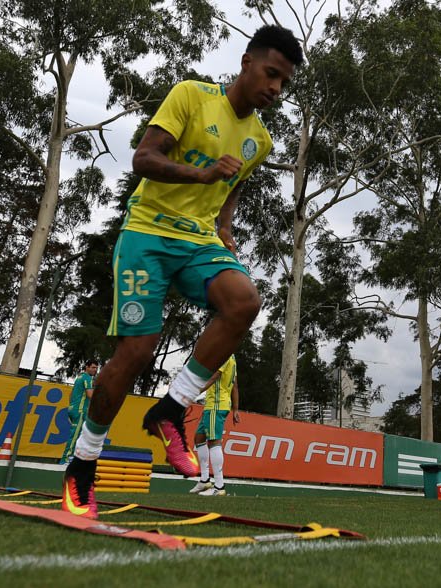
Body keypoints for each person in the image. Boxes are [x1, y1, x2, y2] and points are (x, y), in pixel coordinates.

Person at [61, 25, 304, 519]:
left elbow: (232, 183)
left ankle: (171, 408)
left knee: (245, 302)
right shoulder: (191, 95)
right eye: (271, 74)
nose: (276, 88)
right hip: (147, 233)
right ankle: (83, 463)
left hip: (198, 239)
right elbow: (143, 158)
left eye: (284, 82)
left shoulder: (260, 139)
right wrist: (202, 173)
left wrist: (226, 226)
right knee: (134, 353)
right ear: (246, 62)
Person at [189, 356, 239, 496]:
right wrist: (235, 409)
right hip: (212, 406)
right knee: (199, 438)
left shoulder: (225, 355)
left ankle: (219, 486)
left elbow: (213, 378)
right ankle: (205, 480)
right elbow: (234, 385)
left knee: (214, 441)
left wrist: (193, 392)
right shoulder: (232, 358)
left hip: (216, 406)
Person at [59, 361, 98, 464]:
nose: (95, 370)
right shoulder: (87, 378)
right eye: (93, 367)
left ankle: (75, 459)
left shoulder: (79, 378)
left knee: (81, 435)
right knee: (75, 435)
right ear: (87, 367)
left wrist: (71, 407)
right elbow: (90, 395)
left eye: (96, 368)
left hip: (74, 409)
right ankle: (65, 459)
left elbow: (71, 394)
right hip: (80, 411)